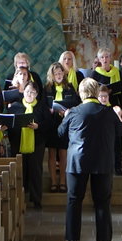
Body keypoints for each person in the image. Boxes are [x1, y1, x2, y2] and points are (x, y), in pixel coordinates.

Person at [58, 78, 119, 241]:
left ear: (81, 93)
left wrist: (65, 117)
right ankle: (104, 239)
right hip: (103, 160)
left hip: (78, 161)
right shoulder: (108, 111)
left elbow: (60, 133)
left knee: (74, 200)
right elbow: (120, 130)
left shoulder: (75, 112)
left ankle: (72, 238)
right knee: (102, 201)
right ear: (95, 92)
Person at [7, 81, 48, 208]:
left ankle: (36, 200)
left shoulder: (41, 107)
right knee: (19, 172)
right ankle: (19, 199)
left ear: (37, 94)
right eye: (27, 92)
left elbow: (49, 124)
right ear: (23, 92)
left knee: (35, 171)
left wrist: (38, 126)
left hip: (37, 144)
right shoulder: (15, 107)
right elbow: (9, 123)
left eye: (32, 92)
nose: (30, 94)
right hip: (18, 144)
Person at [90, 46, 122, 175]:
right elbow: (92, 93)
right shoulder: (95, 73)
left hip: (115, 108)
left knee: (117, 139)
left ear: (111, 58)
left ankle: (118, 166)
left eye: (107, 57)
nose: (105, 59)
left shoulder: (117, 72)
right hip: (100, 109)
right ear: (99, 59)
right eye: (102, 57)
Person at [42, 62, 75, 192]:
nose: (59, 75)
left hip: (64, 123)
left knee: (63, 153)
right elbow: (43, 105)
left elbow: (75, 102)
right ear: (52, 75)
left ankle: (62, 181)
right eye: (56, 74)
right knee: (51, 153)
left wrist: (66, 110)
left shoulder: (70, 87)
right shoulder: (47, 88)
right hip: (51, 123)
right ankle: (53, 182)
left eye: (60, 73)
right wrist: (49, 110)